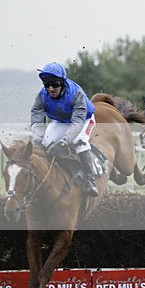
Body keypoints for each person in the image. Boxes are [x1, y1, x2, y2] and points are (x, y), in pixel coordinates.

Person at [30, 62, 99, 197]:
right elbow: (37, 119)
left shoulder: (75, 93)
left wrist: (64, 142)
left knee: (80, 142)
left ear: (62, 82)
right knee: (43, 144)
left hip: (84, 120)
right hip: (61, 121)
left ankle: (90, 180)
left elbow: (77, 122)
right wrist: (38, 139)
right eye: (47, 85)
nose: (50, 88)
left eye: (55, 84)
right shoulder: (41, 96)